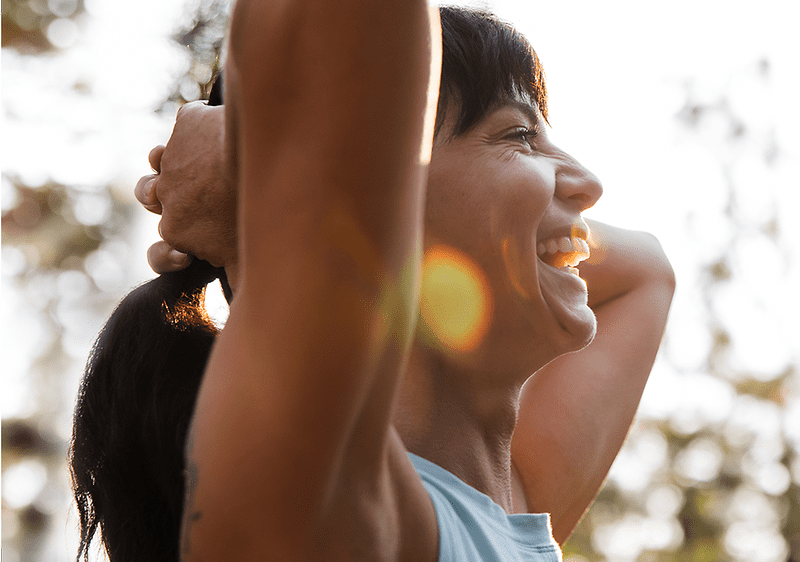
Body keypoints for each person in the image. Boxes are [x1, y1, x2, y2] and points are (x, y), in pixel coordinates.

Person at [72, 4, 674, 562]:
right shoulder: (332, 510)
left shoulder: (502, 512)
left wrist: (269, 191)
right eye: (519, 135)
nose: (587, 182)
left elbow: (645, 272)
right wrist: (271, 191)